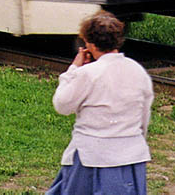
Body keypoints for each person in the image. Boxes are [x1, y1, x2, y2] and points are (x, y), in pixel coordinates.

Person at [46, 11, 153, 195]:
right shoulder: (138, 71)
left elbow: (62, 105)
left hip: (92, 157)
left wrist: (73, 69)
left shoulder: (87, 74)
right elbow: (144, 117)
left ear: (90, 44)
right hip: (131, 156)